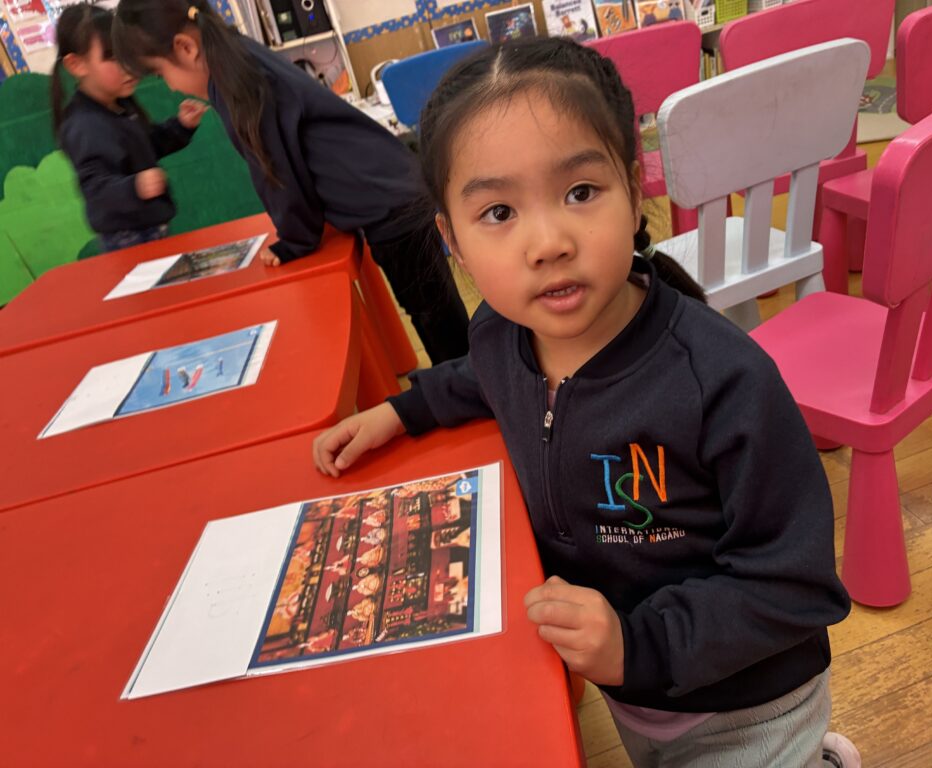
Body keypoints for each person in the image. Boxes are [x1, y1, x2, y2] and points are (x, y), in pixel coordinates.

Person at [312, 37, 859, 767]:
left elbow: (795, 584)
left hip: (748, 705)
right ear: (452, 241)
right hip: (634, 692)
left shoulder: (722, 381)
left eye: (579, 193)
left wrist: (636, 644)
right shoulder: (502, 334)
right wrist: (401, 411)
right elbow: (484, 377)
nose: (548, 242)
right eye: (498, 211)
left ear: (633, 192)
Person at [111, 0, 469, 364]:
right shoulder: (239, 58)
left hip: (388, 201)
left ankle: (470, 385)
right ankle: (464, 378)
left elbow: (276, 171)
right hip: (388, 189)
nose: (170, 87)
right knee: (433, 311)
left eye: (160, 74)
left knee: (435, 316)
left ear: (185, 48)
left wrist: (294, 242)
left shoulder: (239, 81)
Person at [52, 4, 204, 253]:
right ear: (77, 65)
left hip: (152, 227)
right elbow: (96, 190)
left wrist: (181, 126)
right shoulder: (84, 124)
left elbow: (147, 144)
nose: (128, 65)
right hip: (128, 237)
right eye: (113, 57)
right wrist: (134, 187)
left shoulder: (120, 105)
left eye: (127, 53)